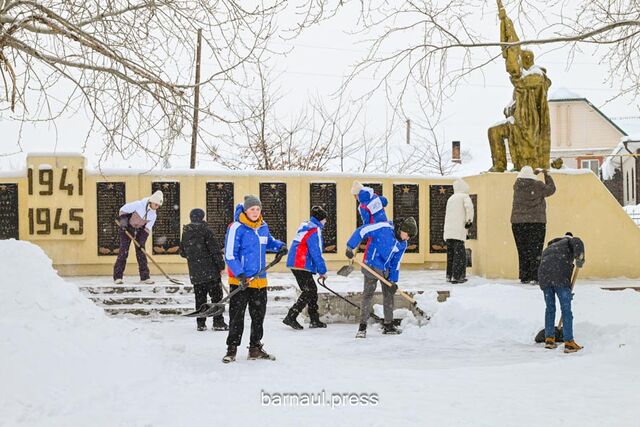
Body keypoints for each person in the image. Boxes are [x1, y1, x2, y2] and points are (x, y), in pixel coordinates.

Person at [222, 195, 287, 363]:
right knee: (237, 316)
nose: (255, 212)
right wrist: (240, 274)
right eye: (252, 209)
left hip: (259, 281)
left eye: (258, 209)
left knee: (258, 316)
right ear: (245, 210)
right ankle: (232, 349)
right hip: (241, 281)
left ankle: (255, 348)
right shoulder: (237, 227)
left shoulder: (263, 227)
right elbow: (230, 254)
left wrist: (280, 246)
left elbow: (269, 242)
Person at [345, 217, 417, 338]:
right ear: (402, 230)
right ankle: (362, 327)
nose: (407, 238)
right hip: (371, 265)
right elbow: (362, 230)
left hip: (386, 270)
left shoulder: (402, 244)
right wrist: (350, 247)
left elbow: (396, 263)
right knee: (368, 295)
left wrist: (393, 280)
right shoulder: (384, 228)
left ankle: (388, 325)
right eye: (408, 235)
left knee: (389, 295)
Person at [179, 208, 227, 332]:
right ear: (203, 217)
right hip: (211, 271)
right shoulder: (207, 231)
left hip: (195, 272)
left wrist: (194, 257)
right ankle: (218, 322)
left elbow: (182, 252)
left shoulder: (186, 232)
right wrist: (221, 266)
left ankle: (200, 323)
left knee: (200, 298)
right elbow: (215, 251)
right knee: (216, 297)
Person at [283, 206, 329, 330]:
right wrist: (322, 271)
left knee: (311, 291)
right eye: (324, 219)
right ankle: (291, 316)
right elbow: (316, 252)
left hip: (296, 262)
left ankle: (314, 319)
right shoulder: (314, 230)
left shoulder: (306, 226)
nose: (325, 222)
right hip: (301, 263)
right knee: (309, 291)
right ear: (320, 219)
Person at [538, 232, 585, 353]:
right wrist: (580, 257)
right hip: (560, 277)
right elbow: (578, 243)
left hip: (544, 277)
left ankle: (549, 339)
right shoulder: (570, 241)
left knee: (550, 308)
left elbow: (547, 263)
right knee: (566, 309)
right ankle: (569, 342)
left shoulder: (550, 246)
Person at [511, 166, 555, 284]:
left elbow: (527, 179)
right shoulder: (538, 185)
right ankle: (535, 276)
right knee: (536, 250)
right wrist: (546, 175)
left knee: (523, 250)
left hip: (518, 223)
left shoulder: (517, 186)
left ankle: (524, 276)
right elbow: (551, 189)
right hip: (536, 222)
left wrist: (533, 174)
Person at [113, 190, 163, 284]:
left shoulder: (153, 215)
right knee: (123, 251)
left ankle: (145, 277)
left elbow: (147, 229)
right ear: (151, 201)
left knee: (141, 252)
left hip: (140, 231)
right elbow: (123, 210)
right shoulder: (139, 204)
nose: (156, 207)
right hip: (127, 229)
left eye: (158, 205)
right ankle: (118, 277)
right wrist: (124, 224)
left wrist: (141, 242)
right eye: (155, 204)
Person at [443, 179, 474, 284]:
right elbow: (469, 209)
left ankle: (449, 275)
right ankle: (458, 276)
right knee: (459, 255)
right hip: (458, 231)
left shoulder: (451, 198)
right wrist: (469, 221)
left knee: (450, 254)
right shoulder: (464, 197)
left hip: (449, 232)